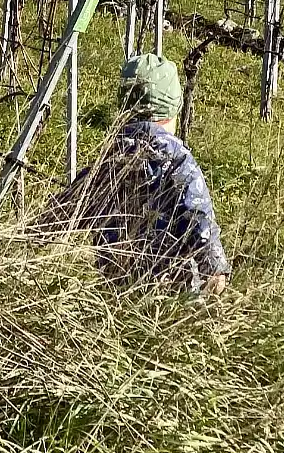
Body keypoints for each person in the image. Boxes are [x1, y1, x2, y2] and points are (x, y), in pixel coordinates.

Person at [48, 52, 231, 296]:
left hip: (115, 284)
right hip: (171, 288)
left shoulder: (113, 155)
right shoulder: (178, 160)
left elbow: (69, 207)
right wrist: (215, 268)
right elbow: (198, 214)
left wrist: (35, 229)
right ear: (173, 108)